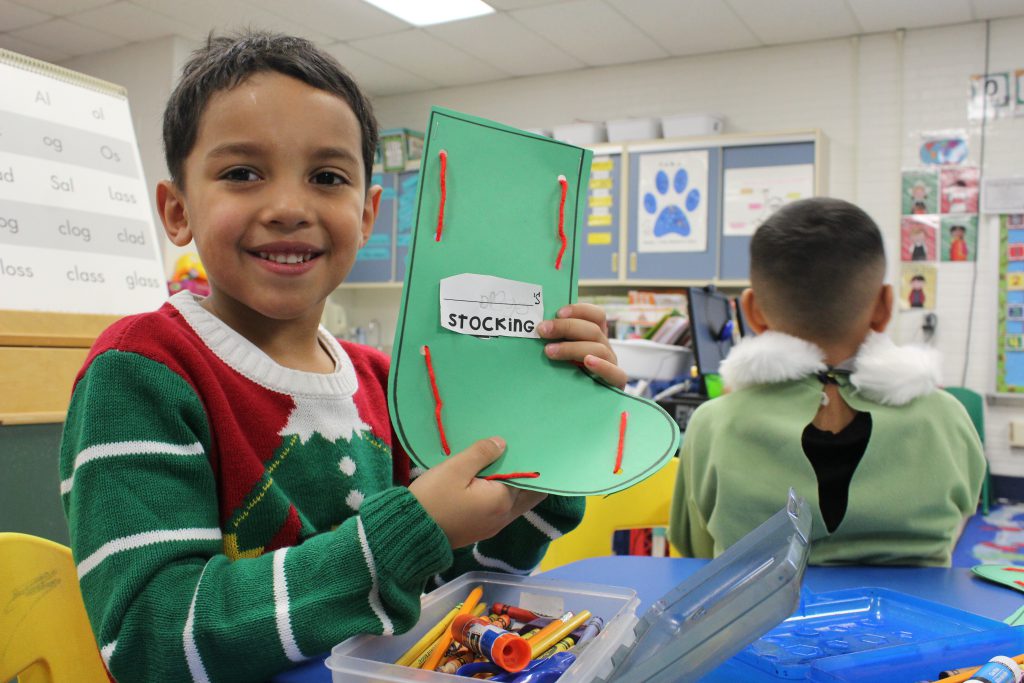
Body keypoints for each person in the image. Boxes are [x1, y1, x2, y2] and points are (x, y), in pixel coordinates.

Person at [59, 31, 626, 682]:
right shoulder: (141, 369)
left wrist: (550, 444)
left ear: (368, 213)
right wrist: (396, 537)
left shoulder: (385, 381)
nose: (289, 208)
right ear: (177, 210)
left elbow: (458, 586)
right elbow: (151, 639)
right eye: (242, 172)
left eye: (327, 177)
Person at [669, 197, 985, 566]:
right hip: (914, 620)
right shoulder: (945, 417)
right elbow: (962, 517)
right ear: (884, 306)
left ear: (752, 312)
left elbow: (692, 547)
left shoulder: (714, 424)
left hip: (759, 623)